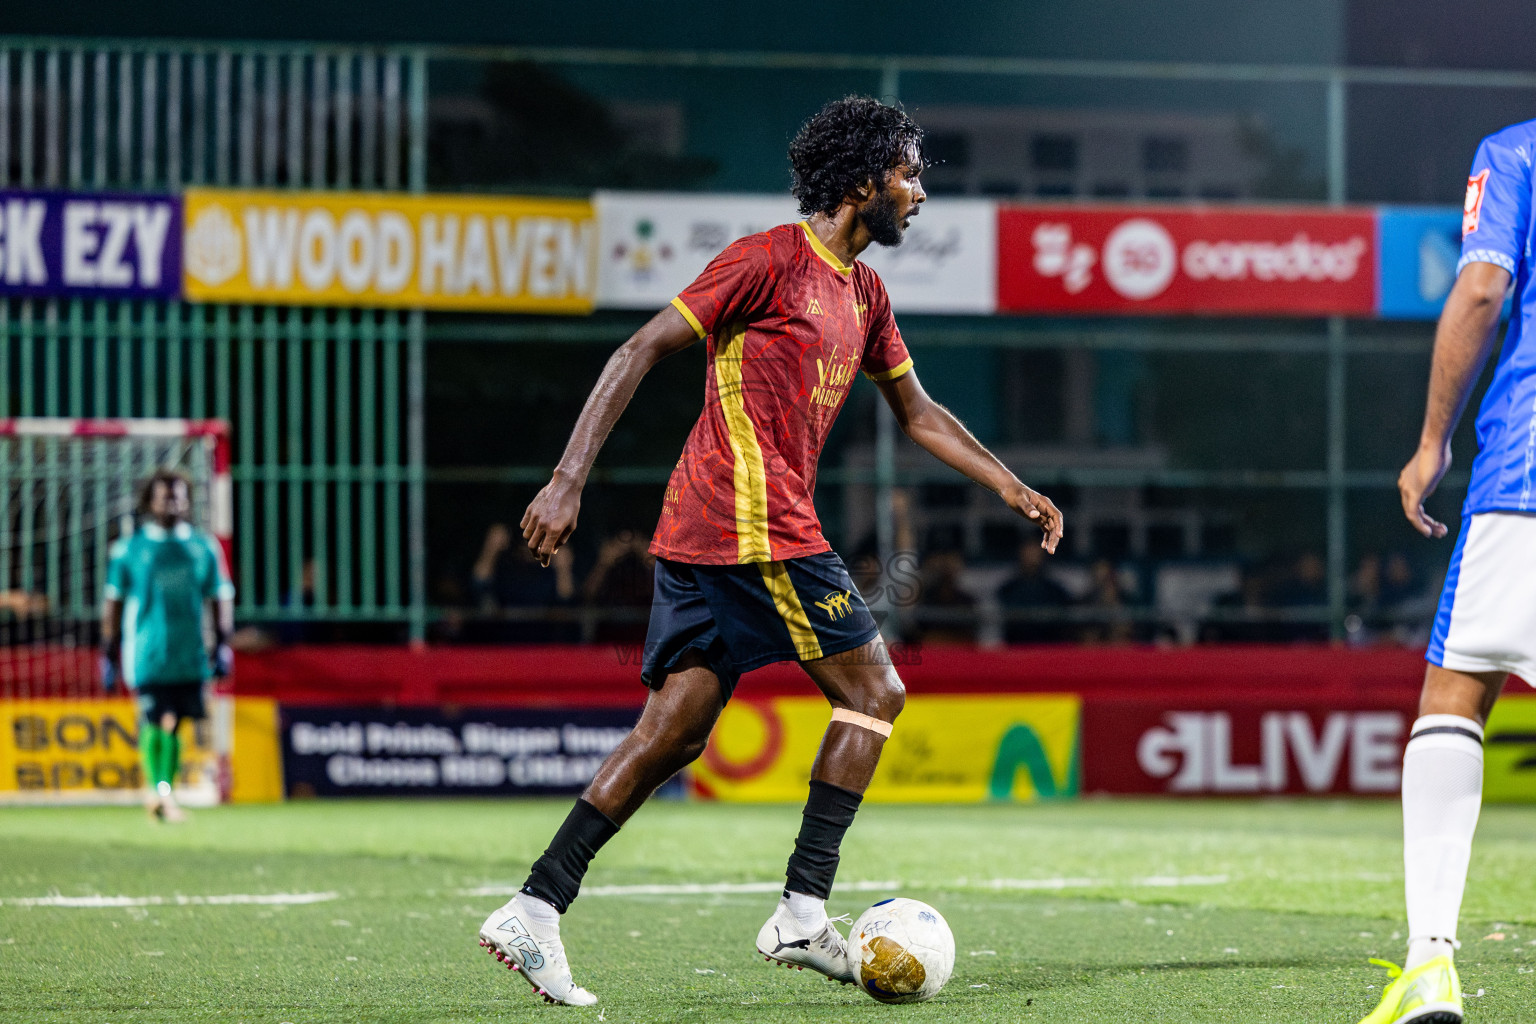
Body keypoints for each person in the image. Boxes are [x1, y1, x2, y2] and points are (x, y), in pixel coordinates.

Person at [476, 95, 1064, 1006]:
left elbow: (917, 412)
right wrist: (567, 479)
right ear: (861, 181)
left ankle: (535, 906)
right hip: (749, 523)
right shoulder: (767, 260)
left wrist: (1009, 484)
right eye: (908, 174)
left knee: (673, 733)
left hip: (705, 530)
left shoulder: (865, 294)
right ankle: (801, 909)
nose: (918, 193)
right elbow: (637, 350)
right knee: (876, 693)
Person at [1367, 119, 1536, 1024]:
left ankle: (1430, 962)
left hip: (1527, 476)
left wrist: (1432, 440)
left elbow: (1480, 289)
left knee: (1456, 693)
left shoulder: (1516, 153)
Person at [101, 469, 235, 823]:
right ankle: (159, 792)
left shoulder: (203, 547)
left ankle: (164, 791)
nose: (172, 504)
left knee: (176, 723)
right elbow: (113, 602)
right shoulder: (130, 549)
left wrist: (223, 643)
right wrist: (108, 650)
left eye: (178, 497)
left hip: (188, 651)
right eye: (165, 498)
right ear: (150, 502)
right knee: (154, 718)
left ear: (187, 502)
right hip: (146, 651)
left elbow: (220, 595)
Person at [997, 540, 1072, 643]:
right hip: (1016, 644)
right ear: (1020, 554)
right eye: (1028, 552)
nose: (1032, 557)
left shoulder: (1055, 591)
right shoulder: (1008, 589)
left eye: (1035, 552)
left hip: (1050, 644)